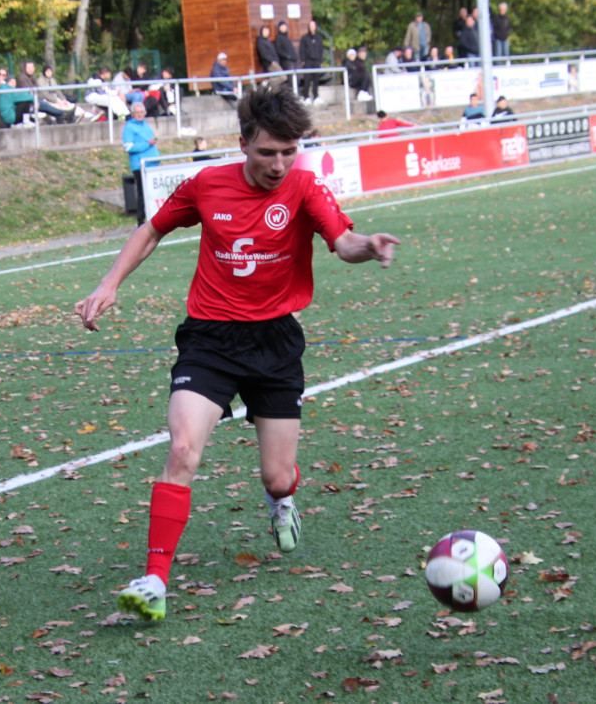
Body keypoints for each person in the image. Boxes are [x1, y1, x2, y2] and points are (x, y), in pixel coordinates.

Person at [75, 84, 399, 624]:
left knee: (276, 476)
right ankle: (155, 581)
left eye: (289, 151)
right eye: (267, 152)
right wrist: (109, 283)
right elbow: (151, 230)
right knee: (182, 448)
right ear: (243, 142)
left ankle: (281, 501)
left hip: (274, 342)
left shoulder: (304, 187)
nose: (278, 164)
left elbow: (343, 243)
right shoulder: (207, 184)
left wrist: (369, 245)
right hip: (210, 339)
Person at [122, 101, 159, 224]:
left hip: (152, 164)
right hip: (140, 165)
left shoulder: (146, 125)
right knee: (143, 194)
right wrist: (147, 144)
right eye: (137, 112)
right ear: (132, 114)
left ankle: (153, 218)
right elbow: (128, 147)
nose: (139, 114)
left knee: (152, 193)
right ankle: (141, 221)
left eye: (141, 112)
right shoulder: (129, 127)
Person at [298, 19, 325, 104]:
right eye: (310, 26)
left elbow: (321, 49)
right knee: (307, 79)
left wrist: (320, 59)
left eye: (313, 26)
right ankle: (306, 97)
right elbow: (301, 49)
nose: (312, 28)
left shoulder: (319, 38)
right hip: (308, 61)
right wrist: (303, 60)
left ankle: (316, 96)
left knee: (316, 79)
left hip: (316, 61)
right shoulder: (305, 38)